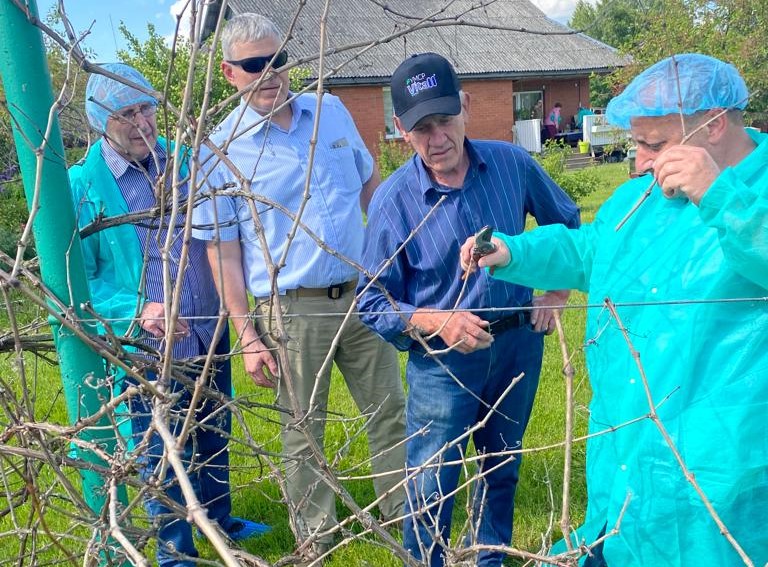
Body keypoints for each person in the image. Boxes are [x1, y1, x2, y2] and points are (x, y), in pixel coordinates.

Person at [460, 53, 768, 566]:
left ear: (714, 125)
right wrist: (513, 252)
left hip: (721, 460)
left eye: (656, 145)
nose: (641, 162)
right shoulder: (639, 198)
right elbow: (592, 250)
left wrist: (720, 196)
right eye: (637, 144)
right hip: (629, 441)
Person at [191, 12, 406, 559]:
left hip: (363, 296)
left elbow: (371, 186)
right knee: (303, 431)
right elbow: (223, 252)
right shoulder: (219, 150)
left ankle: (405, 517)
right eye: (254, 65)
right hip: (291, 311)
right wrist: (247, 334)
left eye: (278, 59)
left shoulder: (330, 111)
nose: (270, 74)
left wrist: (391, 264)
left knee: (389, 410)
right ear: (228, 73)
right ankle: (317, 538)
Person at [357, 52, 580, 567]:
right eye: (422, 128)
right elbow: (372, 300)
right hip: (442, 361)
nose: (437, 138)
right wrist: (438, 321)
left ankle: (489, 558)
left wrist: (556, 292)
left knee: (501, 467)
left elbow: (568, 226)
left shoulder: (511, 165)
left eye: (445, 120)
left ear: (466, 106)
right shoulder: (393, 201)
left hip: (517, 344)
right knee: (431, 480)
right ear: (401, 129)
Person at [69, 63, 268, 566]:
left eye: (147, 108)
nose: (142, 123)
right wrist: (137, 310)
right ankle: (175, 551)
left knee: (213, 429)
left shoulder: (186, 162)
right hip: (147, 346)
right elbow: (77, 280)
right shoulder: (82, 186)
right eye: (126, 114)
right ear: (100, 122)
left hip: (207, 330)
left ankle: (220, 519)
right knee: (162, 448)